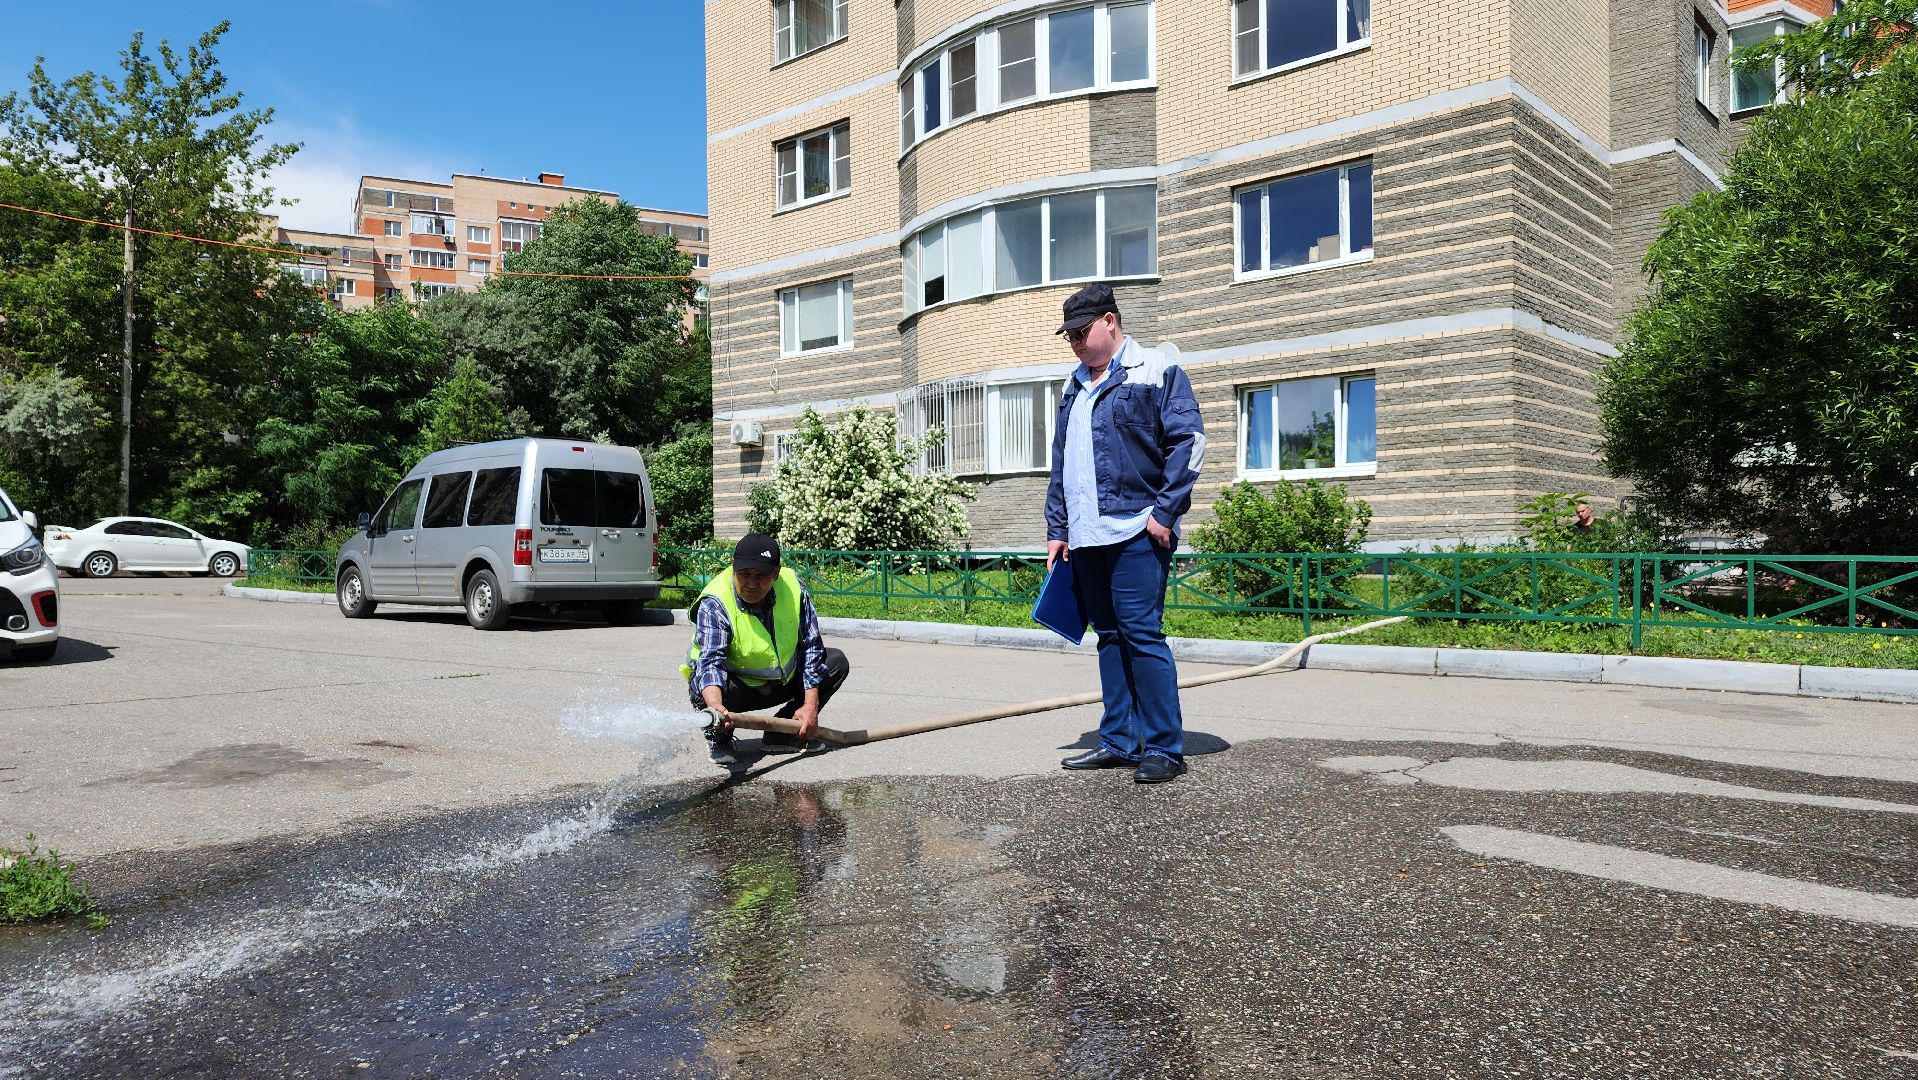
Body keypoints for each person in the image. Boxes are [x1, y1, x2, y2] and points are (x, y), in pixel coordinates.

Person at [1044, 283, 1206, 784]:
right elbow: (1062, 462)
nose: (1075, 342)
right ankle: (1118, 740)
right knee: (1109, 637)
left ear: (1110, 321)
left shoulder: (1156, 369)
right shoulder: (1073, 386)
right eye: (1069, 335)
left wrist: (1165, 513)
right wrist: (1058, 527)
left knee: (1141, 635)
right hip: (1086, 535)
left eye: (1081, 331)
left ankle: (1164, 747)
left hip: (1137, 528)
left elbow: (1189, 442)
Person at [682, 533, 850, 765]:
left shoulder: (793, 587)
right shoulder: (716, 602)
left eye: (760, 576)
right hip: (734, 689)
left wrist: (810, 705)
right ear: (733, 567)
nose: (751, 584)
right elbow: (711, 663)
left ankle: (781, 733)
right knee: (708, 692)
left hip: (779, 682)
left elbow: (811, 647)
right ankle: (719, 738)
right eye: (744, 574)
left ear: (776, 573)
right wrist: (715, 706)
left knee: (835, 662)